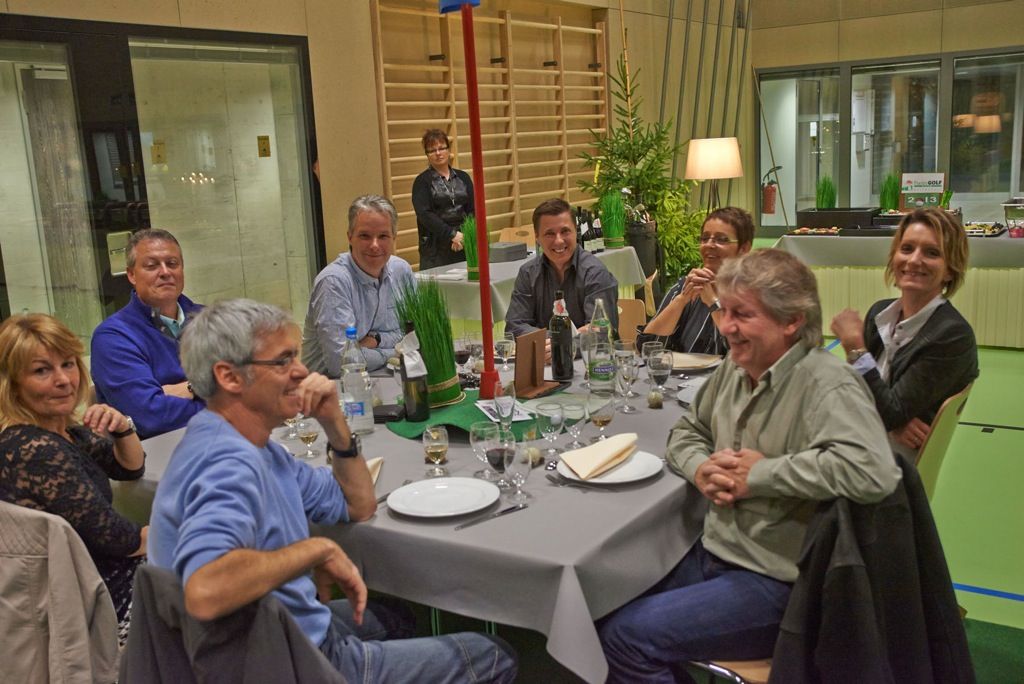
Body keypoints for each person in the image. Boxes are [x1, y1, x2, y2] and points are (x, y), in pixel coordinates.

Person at [149, 299, 517, 684]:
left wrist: (334, 422)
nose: (302, 371)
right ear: (229, 377)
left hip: (274, 631)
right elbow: (205, 590)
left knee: (396, 616)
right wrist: (317, 550)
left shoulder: (251, 445)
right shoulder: (227, 463)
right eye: (283, 361)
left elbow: (358, 504)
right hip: (276, 661)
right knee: (494, 656)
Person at [598, 249, 902, 682]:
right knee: (601, 603)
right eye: (725, 311)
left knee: (626, 638)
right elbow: (687, 432)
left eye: (742, 314)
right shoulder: (736, 368)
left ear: (791, 321)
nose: (727, 327)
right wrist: (700, 468)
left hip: (779, 581)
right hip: (715, 551)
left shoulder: (827, 384)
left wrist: (760, 475)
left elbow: (875, 472)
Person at [0, 314, 147, 643]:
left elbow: (130, 468)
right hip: (97, 603)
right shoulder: (34, 450)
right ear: (12, 384)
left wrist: (122, 426)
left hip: (94, 581)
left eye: (68, 364)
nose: (64, 380)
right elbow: (120, 540)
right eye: (42, 371)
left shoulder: (64, 432)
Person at [830, 208, 978, 458]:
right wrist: (892, 422)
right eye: (907, 249)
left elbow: (890, 411)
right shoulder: (880, 313)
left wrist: (856, 349)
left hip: (887, 464)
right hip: (861, 441)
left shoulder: (951, 335)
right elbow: (853, 392)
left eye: (932, 253)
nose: (914, 260)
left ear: (950, 269)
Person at [91, 228, 203, 439]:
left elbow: (256, 385)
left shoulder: (212, 320)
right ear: (131, 275)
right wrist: (212, 392)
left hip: (225, 441)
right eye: (152, 266)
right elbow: (150, 417)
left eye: (172, 263)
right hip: (161, 453)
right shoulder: (113, 337)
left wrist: (186, 390)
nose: (165, 272)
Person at [302, 195, 416, 374]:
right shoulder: (333, 283)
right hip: (335, 385)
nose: (374, 245)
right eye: (365, 236)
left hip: (387, 378)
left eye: (383, 236)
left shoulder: (402, 270)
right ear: (350, 237)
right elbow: (341, 362)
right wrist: (395, 352)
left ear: (394, 237)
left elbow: (414, 335)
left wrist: (377, 339)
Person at [637, 206, 754, 354]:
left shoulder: (754, 295)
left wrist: (713, 303)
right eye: (705, 238)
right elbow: (647, 347)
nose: (709, 245)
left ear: (744, 248)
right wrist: (682, 299)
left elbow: (745, 352)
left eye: (721, 239)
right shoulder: (688, 285)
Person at [505, 198, 619, 340]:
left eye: (565, 231)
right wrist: (559, 338)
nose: (559, 240)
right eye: (550, 234)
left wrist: (547, 340)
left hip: (586, 355)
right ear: (537, 237)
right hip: (546, 353)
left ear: (576, 232)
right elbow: (514, 327)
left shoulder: (596, 273)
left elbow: (601, 334)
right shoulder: (528, 273)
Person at [412, 129, 474, 270]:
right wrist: (452, 235)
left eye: (441, 148)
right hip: (435, 248)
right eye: (432, 150)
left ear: (448, 149)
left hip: (463, 242)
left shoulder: (463, 177)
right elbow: (425, 214)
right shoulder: (422, 181)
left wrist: (464, 236)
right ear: (427, 154)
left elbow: (472, 209)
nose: (438, 153)